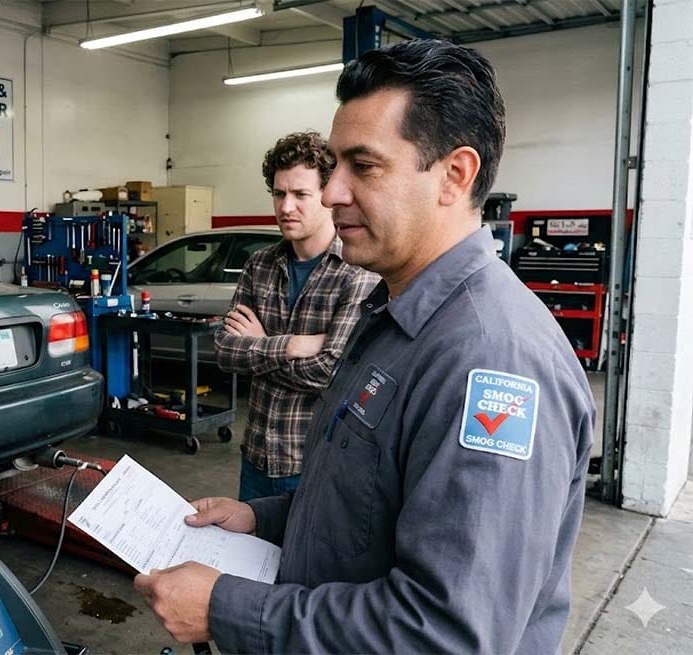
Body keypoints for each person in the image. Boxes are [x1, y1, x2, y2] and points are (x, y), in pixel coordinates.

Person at [134, 39, 595, 654]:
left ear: (455, 175)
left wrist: (226, 610)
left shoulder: (491, 359)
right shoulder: (394, 315)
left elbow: (447, 636)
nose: (331, 193)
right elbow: (366, 506)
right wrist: (263, 518)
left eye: (364, 166)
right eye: (333, 166)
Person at [215, 131, 377, 501]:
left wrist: (259, 345)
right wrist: (291, 346)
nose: (286, 207)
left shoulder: (355, 271)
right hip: (256, 457)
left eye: (301, 194)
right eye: (279, 194)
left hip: (313, 463)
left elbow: (331, 372)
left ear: (327, 194)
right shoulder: (260, 265)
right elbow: (224, 351)